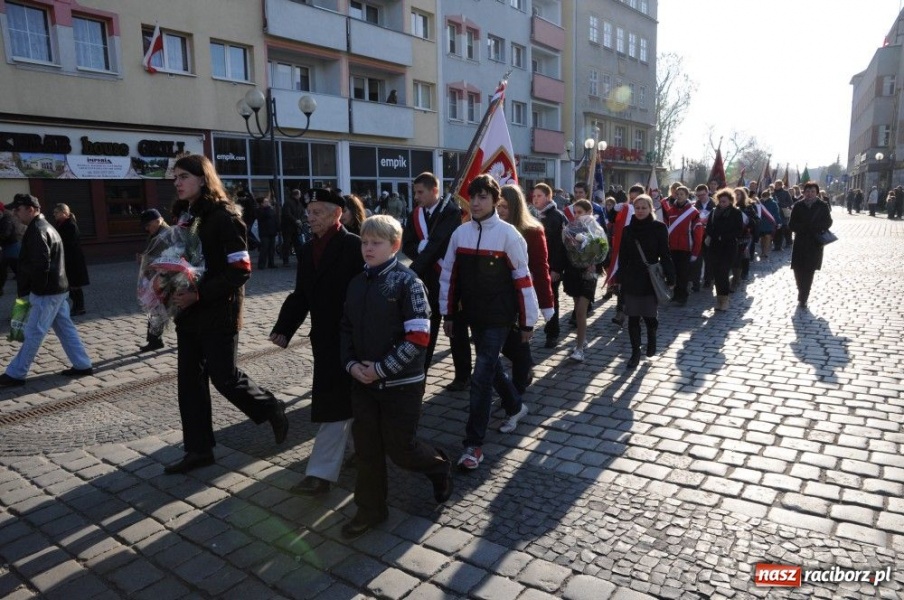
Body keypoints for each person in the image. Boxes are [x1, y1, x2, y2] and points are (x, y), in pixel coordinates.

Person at [163, 155, 288, 474]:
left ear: (203, 179)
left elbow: (241, 270)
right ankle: (198, 449)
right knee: (189, 384)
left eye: (183, 177)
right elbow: (179, 258)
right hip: (188, 314)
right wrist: (163, 278)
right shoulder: (183, 216)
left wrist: (199, 294)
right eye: (175, 177)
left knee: (224, 378)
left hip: (218, 313)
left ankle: (271, 407)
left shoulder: (225, 217)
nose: (177, 182)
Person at [339, 215, 452, 538]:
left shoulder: (408, 282)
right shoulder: (357, 282)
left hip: (401, 386)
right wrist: (352, 366)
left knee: (401, 449)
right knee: (367, 449)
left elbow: (418, 338)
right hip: (363, 383)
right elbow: (345, 328)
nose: (368, 248)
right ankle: (370, 510)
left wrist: (381, 369)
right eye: (364, 242)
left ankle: (438, 466)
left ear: (395, 246)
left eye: (376, 243)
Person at [439, 174, 539, 470]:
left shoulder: (509, 235)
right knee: (491, 366)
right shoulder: (460, 234)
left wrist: (527, 322)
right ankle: (516, 406)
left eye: (484, 197)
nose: (477, 202)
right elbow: (449, 276)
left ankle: (473, 446)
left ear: (497, 201)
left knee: (481, 375)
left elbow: (524, 280)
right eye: (474, 196)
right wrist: (448, 314)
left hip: (500, 317)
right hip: (473, 315)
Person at [271, 188, 362, 495]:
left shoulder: (354, 246)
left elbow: (367, 295)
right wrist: (284, 327)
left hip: (352, 339)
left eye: (316, 212)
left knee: (334, 405)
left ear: (337, 213)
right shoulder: (308, 249)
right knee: (346, 401)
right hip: (323, 338)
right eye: (308, 212)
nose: (309, 217)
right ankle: (362, 451)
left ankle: (320, 475)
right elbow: (302, 293)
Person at [0, 194, 93, 388]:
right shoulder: (44, 227)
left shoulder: (37, 230)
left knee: (34, 331)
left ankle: (16, 374)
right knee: (65, 328)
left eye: (18, 209)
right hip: (56, 288)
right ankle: (83, 364)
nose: (15, 213)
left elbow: (41, 264)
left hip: (47, 292)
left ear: (31, 209)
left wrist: (36, 292)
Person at [401, 172, 469, 385]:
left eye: (420, 192)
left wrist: (410, 272)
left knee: (455, 330)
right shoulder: (415, 215)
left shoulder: (450, 212)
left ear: (434, 191)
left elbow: (438, 244)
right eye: (415, 192)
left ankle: (463, 376)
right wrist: (417, 250)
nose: (417, 197)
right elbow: (408, 245)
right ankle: (420, 373)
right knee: (426, 328)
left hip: (448, 279)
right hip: (426, 281)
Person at [497, 184, 554, 382]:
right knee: (504, 342)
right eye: (497, 206)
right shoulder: (491, 229)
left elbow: (540, 269)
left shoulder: (532, 231)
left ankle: (520, 380)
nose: (500, 211)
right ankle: (524, 368)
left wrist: (546, 304)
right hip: (496, 295)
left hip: (520, 295)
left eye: (504, 207)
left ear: (515, 206)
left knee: (517, 339)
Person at [618, 195, 674, 369]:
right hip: (632, 278)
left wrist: (671, 277)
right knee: (633, 318)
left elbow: (665, 254)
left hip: (650, 278)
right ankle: (635, 353)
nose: (640, 211)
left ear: (651, 208)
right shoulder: (628, 230)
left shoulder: (659, 228)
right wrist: (619, 279)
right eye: (638, 208)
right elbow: (623, 256)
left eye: (644, 207)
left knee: (650, 317)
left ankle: (652, 337)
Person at [561, 200, 600, 362]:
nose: (577, 215)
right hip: (573, 272)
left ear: (588, 212)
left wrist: (595, 262)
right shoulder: (570, 228)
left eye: (580, 212)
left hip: (588, 274)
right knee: (577, 307)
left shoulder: (596, 229)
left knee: (580, 311)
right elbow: (565, 250)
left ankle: (579, 349)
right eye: (575, 212)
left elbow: (602, 248)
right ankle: (582, 338)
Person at [531, 182, 567, 348]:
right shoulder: (532, 215)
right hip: (533, 265)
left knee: (551, 299)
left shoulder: (556, 217)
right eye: (534, 196)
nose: (536, 199)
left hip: (551, 266)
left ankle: (552, 333)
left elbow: (561, 246)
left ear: (548, 197)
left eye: (539, 196)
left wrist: (556, 269)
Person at [788, 181, 833, 311]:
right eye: (807, 191)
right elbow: (791, 224)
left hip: (815, 242)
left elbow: (828, 222)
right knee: (798, 269)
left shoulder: (822, 206)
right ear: (804, 192)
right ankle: (801, 290)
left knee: (809, 270)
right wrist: (802, 228)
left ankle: (803, 297)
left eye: (813, 191)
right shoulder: (798, 205)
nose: (810, 193)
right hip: (800, 241)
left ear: (817, 193)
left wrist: (815, 228)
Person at [660, 186, 702, 306]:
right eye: (677, 194)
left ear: (687, 195)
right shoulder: (671, 211)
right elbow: (665, 227)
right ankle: (675, 295)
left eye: (682, 194)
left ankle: (683, 296)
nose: (679, 196)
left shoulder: (693, 212)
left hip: (686, 248)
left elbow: (698, 233)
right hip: (672, 247)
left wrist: (695, 252)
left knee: (683, 274)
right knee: (673, 273)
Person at [704, 189, 744, 312]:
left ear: (731, 201)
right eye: (720, 201)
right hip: (715, 247)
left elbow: (739, 230)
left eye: (724, 201)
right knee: (716, 274)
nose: (722, 203)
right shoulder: (714, 212)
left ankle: (725, 300)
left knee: (723, 272)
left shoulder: (736, 213)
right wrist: (716, 236)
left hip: (729, 247)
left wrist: (724, 236)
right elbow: (709, 228)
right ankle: (719, 300)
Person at [137, 208, 170, 353]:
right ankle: (154, 340)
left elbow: (168, 258)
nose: (146, 228)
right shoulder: (156, 233)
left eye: (148, 225)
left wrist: (146, 259)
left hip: (167, 278)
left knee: (168, 309)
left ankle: (155, 340)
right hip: (158, 277)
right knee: (156, 309)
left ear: (158, 220)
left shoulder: (165, 235)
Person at [52, 203, 89, 316]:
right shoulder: (60, 224)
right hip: (67, 259)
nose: (54, 215)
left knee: (75, 284)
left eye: (56, 212)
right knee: (70, 284)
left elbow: (69, 243)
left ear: (64, 213)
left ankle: (80, 307)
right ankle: (76, 306)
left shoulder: (70, 225)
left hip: (73, 260)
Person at [0, 201, 23, 296]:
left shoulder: (7, 219)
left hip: (12, 247)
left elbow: (5, 233)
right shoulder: (4, 218)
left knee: (14, 268)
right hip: (8, 247)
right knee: (3, 268)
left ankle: (24, 288)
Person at [280, 189, 305, 266]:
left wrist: (300, 220)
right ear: (297, 195)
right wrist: (296, 220)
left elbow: (302, 212)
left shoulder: (298, 203)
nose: (300, 196)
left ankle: (300, 260)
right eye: (299, 194)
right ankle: (286, 261)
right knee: (287, 244)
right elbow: (287, 214)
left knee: (297, 244)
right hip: (288, 227)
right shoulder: (288, 203)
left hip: (295, 227)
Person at [255, 195, 279, 269]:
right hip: (264, 232)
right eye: (265, 201)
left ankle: (271, 263)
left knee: (272, 249)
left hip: (272, 231)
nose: (267, 202)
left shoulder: (271, 210)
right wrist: (269, 208)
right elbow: (266, 215)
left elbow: (275, 219)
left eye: (267, 201)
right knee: (264, 249)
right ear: (261, 203)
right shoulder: (259, 210)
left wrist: (277, 228)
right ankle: (261, 264)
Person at [757, 190, 782, 260]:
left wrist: (779, 222)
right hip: (761, 223)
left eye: (765, 197)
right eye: (763, 197)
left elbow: (776, 214)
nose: (764, 198)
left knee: (768, 237)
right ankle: (762, 251)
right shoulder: (759, 202)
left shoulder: (773, 203)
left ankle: (765, 253)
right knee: (762, 239)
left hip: (769, 223)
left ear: (769, 196)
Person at [773, 180, 794, 251]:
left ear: (780, 185)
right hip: (775, 213)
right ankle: (777, 246)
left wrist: (782, 205)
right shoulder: (773, 193)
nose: (775, 186)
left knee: (785, 229)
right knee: (777, 230)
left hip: (783, 213)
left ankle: (788, 242)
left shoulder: (785, 192)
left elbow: (790, 202)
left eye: (777, 185)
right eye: (775, 185)